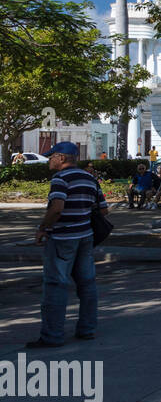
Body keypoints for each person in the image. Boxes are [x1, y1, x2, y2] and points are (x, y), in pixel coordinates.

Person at [28, 142, 107, 348]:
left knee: (56, 285)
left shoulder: (60, 178)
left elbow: (56, 209)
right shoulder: (90, 178)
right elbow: (103, 210)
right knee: (87, 284)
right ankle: (87, 329)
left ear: (62, 158)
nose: (49, 160)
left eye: (52, 156)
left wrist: (42, 228)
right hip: (85, 237)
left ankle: (52, 336)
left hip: (62, 238)